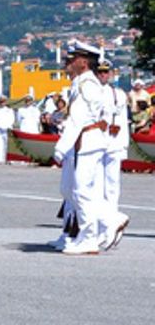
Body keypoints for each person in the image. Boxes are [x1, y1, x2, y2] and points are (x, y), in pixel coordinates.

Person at [53, 42, 125, 255]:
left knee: (81, 191)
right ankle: (96, 229)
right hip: (89, 140)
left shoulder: (87, 85)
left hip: (88, 141)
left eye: (74, 59)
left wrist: (60, 148)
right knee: (79, 191)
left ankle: (92, 235)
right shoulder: (86, 83)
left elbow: (78, 119)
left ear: (83, 62)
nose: (69, 62)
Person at [98, 57, 130, 249]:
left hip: (112, 143)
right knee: (99, 187)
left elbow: (120, 120)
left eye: (106, 72)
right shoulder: (96, 91)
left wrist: (123, 145)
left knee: (111, 186)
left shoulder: (118, 94)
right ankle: (107, 225)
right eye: (100, 72)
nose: (103, 75)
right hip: (100, 143)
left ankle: (111, 223)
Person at [0, 97, 16, 164]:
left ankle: (10, 159)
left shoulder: (9, 110)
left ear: (5, 102)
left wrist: (7, 126)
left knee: (9, 145)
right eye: (1, 102)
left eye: (3, 102)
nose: (2, 103)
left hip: (8, 129)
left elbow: (12, 119)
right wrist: (0, 126)